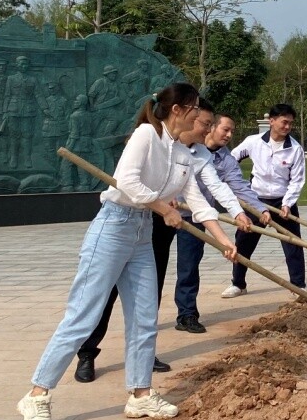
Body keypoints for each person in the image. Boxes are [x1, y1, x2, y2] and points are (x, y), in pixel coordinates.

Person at [17, 83, 237, 420]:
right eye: (196, 109)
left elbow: (196, 200)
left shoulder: (181, 151)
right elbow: (127, 183)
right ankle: (37, 394)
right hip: (112, 228)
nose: (201, 117)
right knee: (83, 316)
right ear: (178, 109)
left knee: (145, 317)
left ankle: (140, 394)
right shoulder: (145, 136)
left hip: (141, 235)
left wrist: (224, 241)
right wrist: (162, 207)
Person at [72, 100, 245, 382]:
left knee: (147, 292)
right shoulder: (150, 139)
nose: (208, 130)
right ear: (186, 118)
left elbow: (213, 187)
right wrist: (163, 201)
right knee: (107, 292)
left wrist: (235, 216)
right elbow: (133, 181)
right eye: (204, 123)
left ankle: (143, 353)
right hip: (130, 221)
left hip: (160, 228)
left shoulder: (199, 153)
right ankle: (87, 353)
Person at [174, 109, 263, 333]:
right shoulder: (175, 146)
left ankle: (187, 315)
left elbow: (228, 187)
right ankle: (145, 321)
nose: (229, 135)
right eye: (225, 129)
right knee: (151, 268)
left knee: (189, 267)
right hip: (162, 213)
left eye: (232, 131)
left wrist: (255, 210)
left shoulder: (221, 158)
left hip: (195, 217)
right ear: (211, 128)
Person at [221, 103, 307, 298]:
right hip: (255, 199)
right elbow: (231, 159)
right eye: (284, 122)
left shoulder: (295, 149)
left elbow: (297, 180)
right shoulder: (253, 142)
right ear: (272, 121)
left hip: (282, 201)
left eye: (290, 124)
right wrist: (234, 184)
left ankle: (298, 285)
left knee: (293, 243)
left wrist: (287, 203)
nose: (287, 127)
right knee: (243, 242)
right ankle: (238, 283)